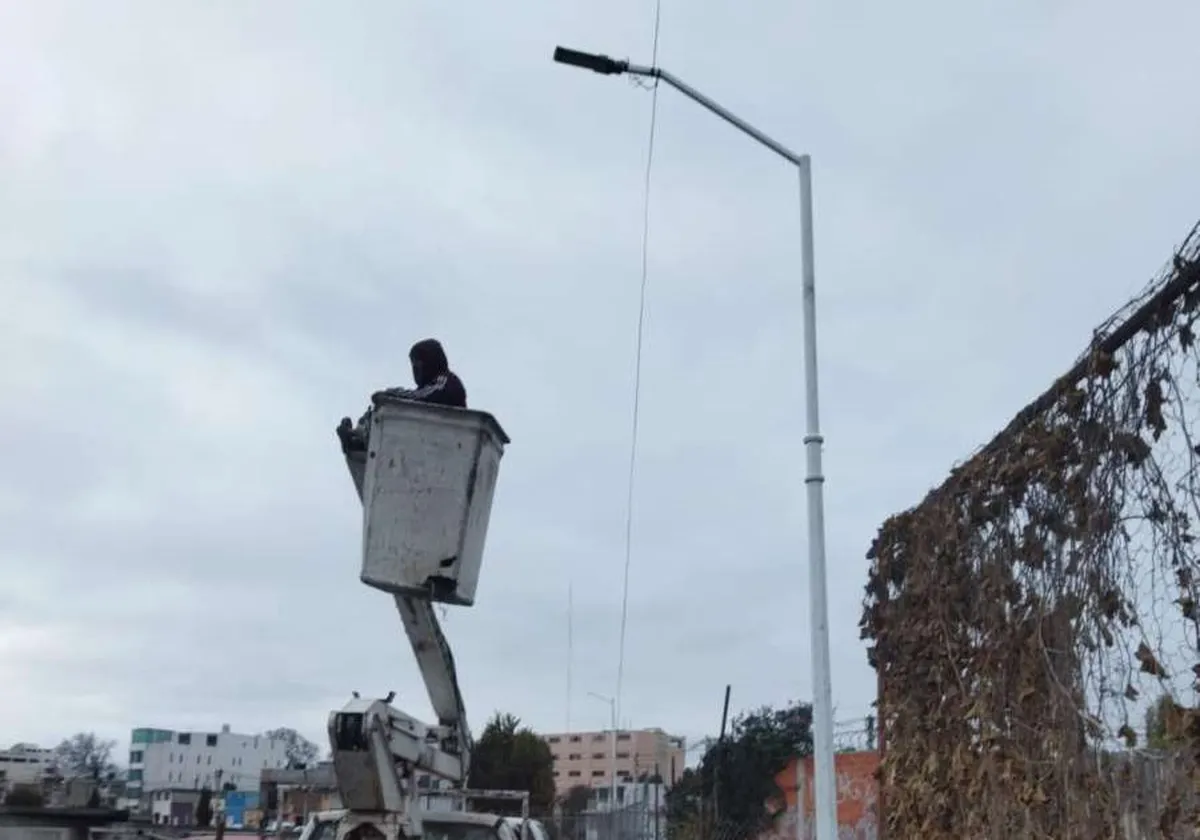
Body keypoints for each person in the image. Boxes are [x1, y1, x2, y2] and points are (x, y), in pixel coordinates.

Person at [336, 338, 467, 454]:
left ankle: (361, 437)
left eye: (417, 365)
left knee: (392, 414)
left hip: (448, 441)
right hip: (432, 439)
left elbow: (421, 398)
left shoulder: (445, 381)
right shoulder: (434, 385)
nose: (415, 371)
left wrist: (390, 396)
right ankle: (360, 439)